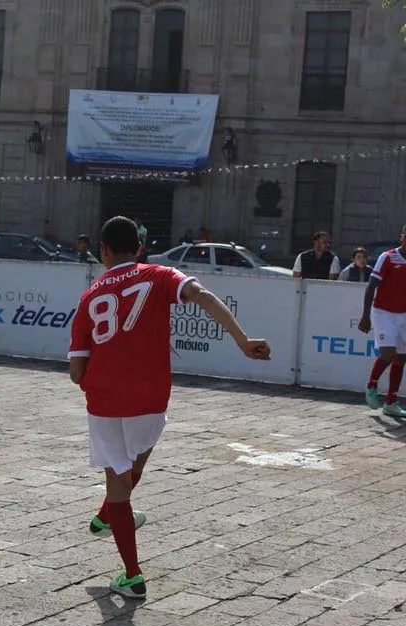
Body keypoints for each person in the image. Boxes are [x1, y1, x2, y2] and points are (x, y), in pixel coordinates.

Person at [68, 216, 270, 599]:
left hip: (107, 402)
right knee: (135, 464)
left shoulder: (89, 296)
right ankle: (106, 516)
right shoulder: (160, 274)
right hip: (152, 397)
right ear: (140, 248)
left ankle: (131, 574)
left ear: (103, 251)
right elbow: (205, 297)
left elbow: (77, 372)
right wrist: (242, 341)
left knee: (119, 482)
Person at [358, 224, 406, 417]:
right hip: (383, 312)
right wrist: (365, 314)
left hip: (404, 314)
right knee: (387, 354)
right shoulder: (387, 257)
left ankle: (391, 402)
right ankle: (372, 384)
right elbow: (371, 287)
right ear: (402, 236)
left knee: (402, 358)